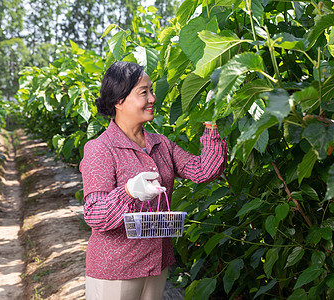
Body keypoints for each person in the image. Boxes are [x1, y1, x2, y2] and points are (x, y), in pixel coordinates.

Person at [80, 61, 227, 300]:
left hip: (156, 263)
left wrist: (211, 122)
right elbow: (95, 215)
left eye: (151, 90)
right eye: (143, 92)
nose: (152, 98)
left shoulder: (161, 144)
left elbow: (204, 171)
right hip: (117, 268)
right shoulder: (100, 149)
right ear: (119, 101)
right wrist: (128, 191)